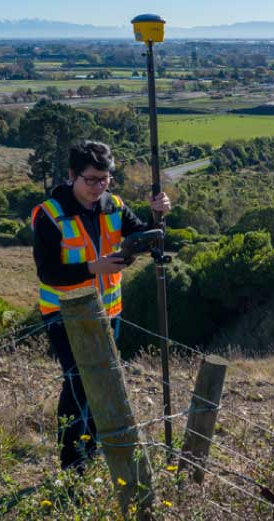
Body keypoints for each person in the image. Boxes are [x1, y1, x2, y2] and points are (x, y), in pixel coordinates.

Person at [30, 140, 171, 470]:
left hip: (109, 310)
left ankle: (91, 450)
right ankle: (72, 462)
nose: (98, 187)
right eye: (90, 179)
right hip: (63, 312)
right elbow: (48, 272)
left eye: (104, 179)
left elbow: (148, 236)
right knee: (79, 380)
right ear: (71, 176)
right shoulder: (49, 214)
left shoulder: (115, 206)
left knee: (104, 379)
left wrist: (159, 214)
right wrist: (93, 268)